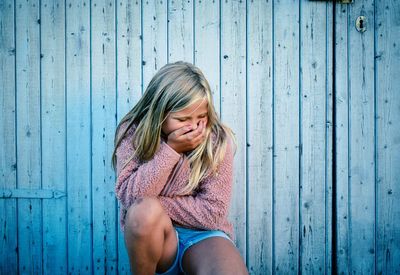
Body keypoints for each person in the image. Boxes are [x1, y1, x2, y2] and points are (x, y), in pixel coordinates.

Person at [111, 61, 248, 275]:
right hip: (156, 237)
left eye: (201, 117)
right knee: (143, 212)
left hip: (203, 235)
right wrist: (171, 150)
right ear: (159, 113)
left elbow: (212, 213)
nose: (193, 126)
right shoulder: (132, 133)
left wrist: (157, 201)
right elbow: (131, 199)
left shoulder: (216, 139)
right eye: (183, 119)